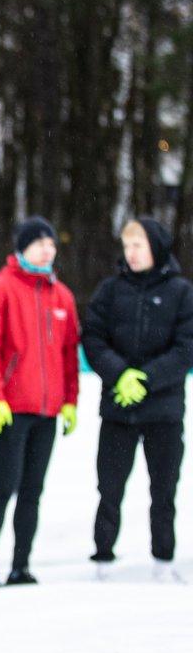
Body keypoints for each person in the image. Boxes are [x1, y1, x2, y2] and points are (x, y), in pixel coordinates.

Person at [83, 218, 193, 583]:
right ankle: (102, 559)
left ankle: (163, 559)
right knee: (109, 487)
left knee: (164, 489)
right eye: (127, 246)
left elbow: (186, 347)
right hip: (119, 409)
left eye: (139, 246)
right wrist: (121, 375)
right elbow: (94, 339)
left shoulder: (181, 292)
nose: (131, 253)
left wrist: (147, 378)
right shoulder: (110, 290)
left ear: (156, 247)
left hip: (163, 410)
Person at [0, 217, 80, 587]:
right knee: (3, 488)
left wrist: (71, 401)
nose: (47, 248)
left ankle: (21, 565)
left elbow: (69, 354)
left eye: (51, 242)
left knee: (33, 491)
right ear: (22, 247)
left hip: (47, 411)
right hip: (11, 409)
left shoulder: (62, 295)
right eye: (39, 242)